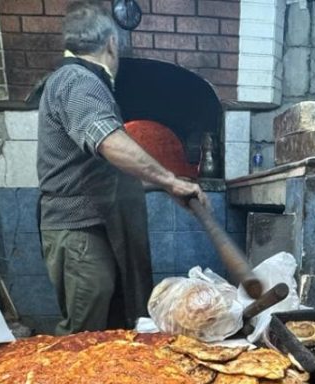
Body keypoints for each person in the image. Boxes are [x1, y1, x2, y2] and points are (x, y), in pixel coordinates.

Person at [35, 1, 207, 335]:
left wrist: (162, 186)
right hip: (83, 233)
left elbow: (99, 175)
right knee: (84, 337)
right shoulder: (78, 81)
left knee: (109, 331)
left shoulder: (74, 81)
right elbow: (109, 142)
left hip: (92, 228)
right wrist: (171, 180)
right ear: (112, 43)